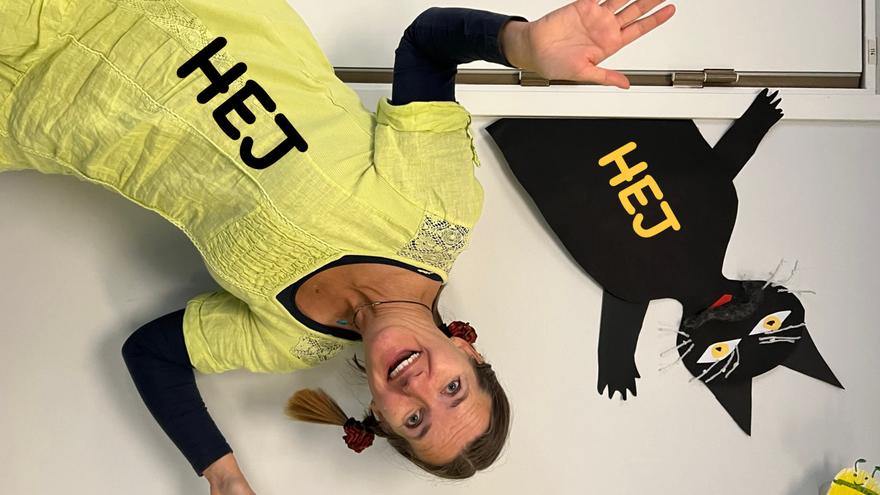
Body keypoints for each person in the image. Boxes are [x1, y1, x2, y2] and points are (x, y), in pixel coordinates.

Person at [0, 0, 675, 492]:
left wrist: (222, 475)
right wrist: (518, 44)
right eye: (452, 388)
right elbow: (425, 47)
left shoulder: (286, 342)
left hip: (32, 112)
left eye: (415, 419)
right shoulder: (438, 214)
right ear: (468, 351)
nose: (418, 387)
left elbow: (153, 355)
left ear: (380, 416)